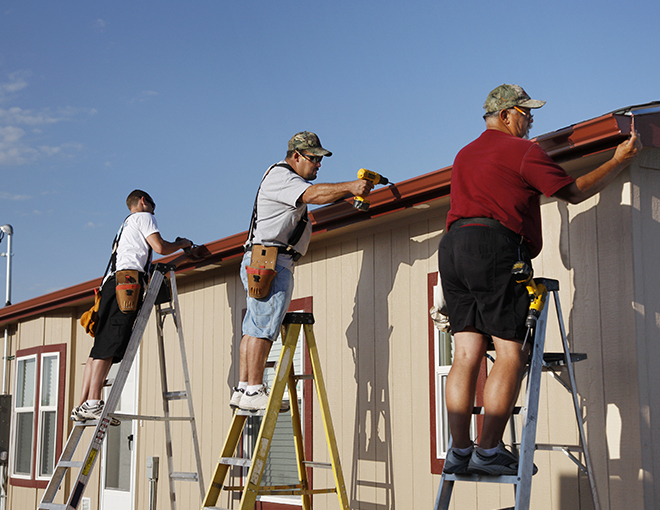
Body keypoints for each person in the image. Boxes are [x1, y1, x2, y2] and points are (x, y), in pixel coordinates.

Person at [439, 84, 641, 475]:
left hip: (453, 249)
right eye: (525, 112)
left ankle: (459, 450)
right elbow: (573, 191)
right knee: (512, 352)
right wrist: (618, 160)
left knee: (465, 355)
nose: (531, 120)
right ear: (504, 115)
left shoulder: (464, 154)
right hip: (494, 248)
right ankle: (488, 450)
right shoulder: (522, 151)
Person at [230, 131, 374, 411]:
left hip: (262, 258)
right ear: (296, 156)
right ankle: (253, 390)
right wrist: (354, 187)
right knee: (262, 328)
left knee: (253, 328)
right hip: (271, 260)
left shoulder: (282, 178)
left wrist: (347, 190)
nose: (318, 165)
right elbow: (314, 194)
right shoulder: (283, 177)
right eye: (314, 158)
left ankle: (243, 387)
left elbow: (316, 195)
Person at [71, 190, 192, 424]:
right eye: (153, 207)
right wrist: (181, 244)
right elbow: (159, 247)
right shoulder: (144, 217)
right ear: (144, 202)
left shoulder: (124, 226)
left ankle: (83, 404)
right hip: (127, 285)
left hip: (110, 285)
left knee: (99, 347)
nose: (154, 213)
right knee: (111, 344)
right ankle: (95, 403)